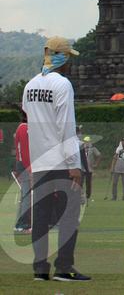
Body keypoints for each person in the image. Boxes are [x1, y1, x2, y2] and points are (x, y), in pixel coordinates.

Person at [21, 36, 89, 281]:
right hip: (61, 161)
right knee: (69, 215)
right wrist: (74, 165)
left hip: (39, 162)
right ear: (63, 57)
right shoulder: (62, 84)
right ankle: (64, 267)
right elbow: (66, 127)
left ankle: (40, 269)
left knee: (40, 217)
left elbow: (31, 123)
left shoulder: (30, 85)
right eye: (68, 57)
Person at [12, 111, 31, 235]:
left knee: (26, 194)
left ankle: (21, 223)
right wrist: (29, 167)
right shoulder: (25, 128)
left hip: (21, 164)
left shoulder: (20, 127)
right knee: (27, 195)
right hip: (25, 164)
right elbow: (25, 150)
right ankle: (22, 223)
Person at [79, 132, 99, 202]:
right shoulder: (81, 148)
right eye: (85, 141)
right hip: (82, 168)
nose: (86, 143)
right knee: (80, 182)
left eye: (88, 141)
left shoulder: (93, 148)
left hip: (89, 169)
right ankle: (80, 195)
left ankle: (88, 196)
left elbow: (99, 155)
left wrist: (96, 164)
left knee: (88, 183)